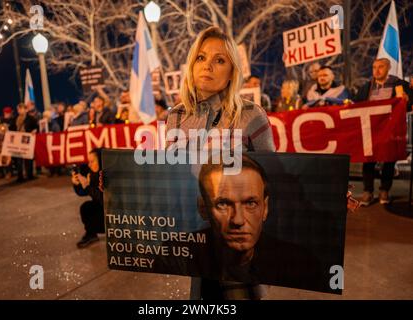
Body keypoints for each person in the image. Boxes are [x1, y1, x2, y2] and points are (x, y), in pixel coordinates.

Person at [165, 26, 275, 300]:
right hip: (196, 241)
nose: (208, 66)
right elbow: (166, 175)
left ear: (232, 72)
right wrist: (114, 185)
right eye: (201, 58)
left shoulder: (251, 115)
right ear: (191, 65)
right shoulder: (175, 118)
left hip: (237, 252)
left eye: (220, 60)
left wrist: (332, 194)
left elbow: (274, 177)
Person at [196, 155, 324, 298]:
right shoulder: (178, 255)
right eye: (223, 204)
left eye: (250, 204)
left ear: (266, 208)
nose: (238, 220)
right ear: (202, 208)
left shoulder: (301, 263)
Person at [354, 58, 413, 206]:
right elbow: (356, 105)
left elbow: (409, 104)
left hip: (391, 130)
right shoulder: (367, 87)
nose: (376, 70)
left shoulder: (400, 85)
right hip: (371, 130)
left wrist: (407, 100)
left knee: (389, 160)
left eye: (380, 67)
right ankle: (368, 191)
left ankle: (384, 190)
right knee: (368, 160)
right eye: (374, 67)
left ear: (388, 68)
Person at [72, 149, 105, 248]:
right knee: (86, 208)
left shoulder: (106, 174)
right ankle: (91, 234)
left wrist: (87, 185)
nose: (89, 165)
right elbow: (83, 193)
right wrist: (77, 184)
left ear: (100, 161)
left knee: (90, 208)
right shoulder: (92, 173)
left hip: (113, 212)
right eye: (88, 161)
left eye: (92, 161)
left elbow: (103, 199)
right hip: (101, 209)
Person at [12, 103, 39, 182]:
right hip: (18, 140)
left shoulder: (30, 118)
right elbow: (12, 128)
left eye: (21, 109)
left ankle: (29, 175)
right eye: (18, 109)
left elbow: (36, 126)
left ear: (25, 109)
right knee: (19, 159)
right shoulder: (15, 119)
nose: (19, 111)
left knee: (28, 158)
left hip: (27, 140)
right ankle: (20, 176)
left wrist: (35, 130)